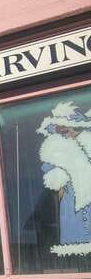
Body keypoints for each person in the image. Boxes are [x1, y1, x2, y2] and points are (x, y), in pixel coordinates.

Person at [38, 101, 91, 256]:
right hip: (71, 205)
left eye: (68, 129)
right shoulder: (56, 152)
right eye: (60, 130)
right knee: (77, 245)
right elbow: (53, 179)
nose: (65, 134)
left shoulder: (86, 145)